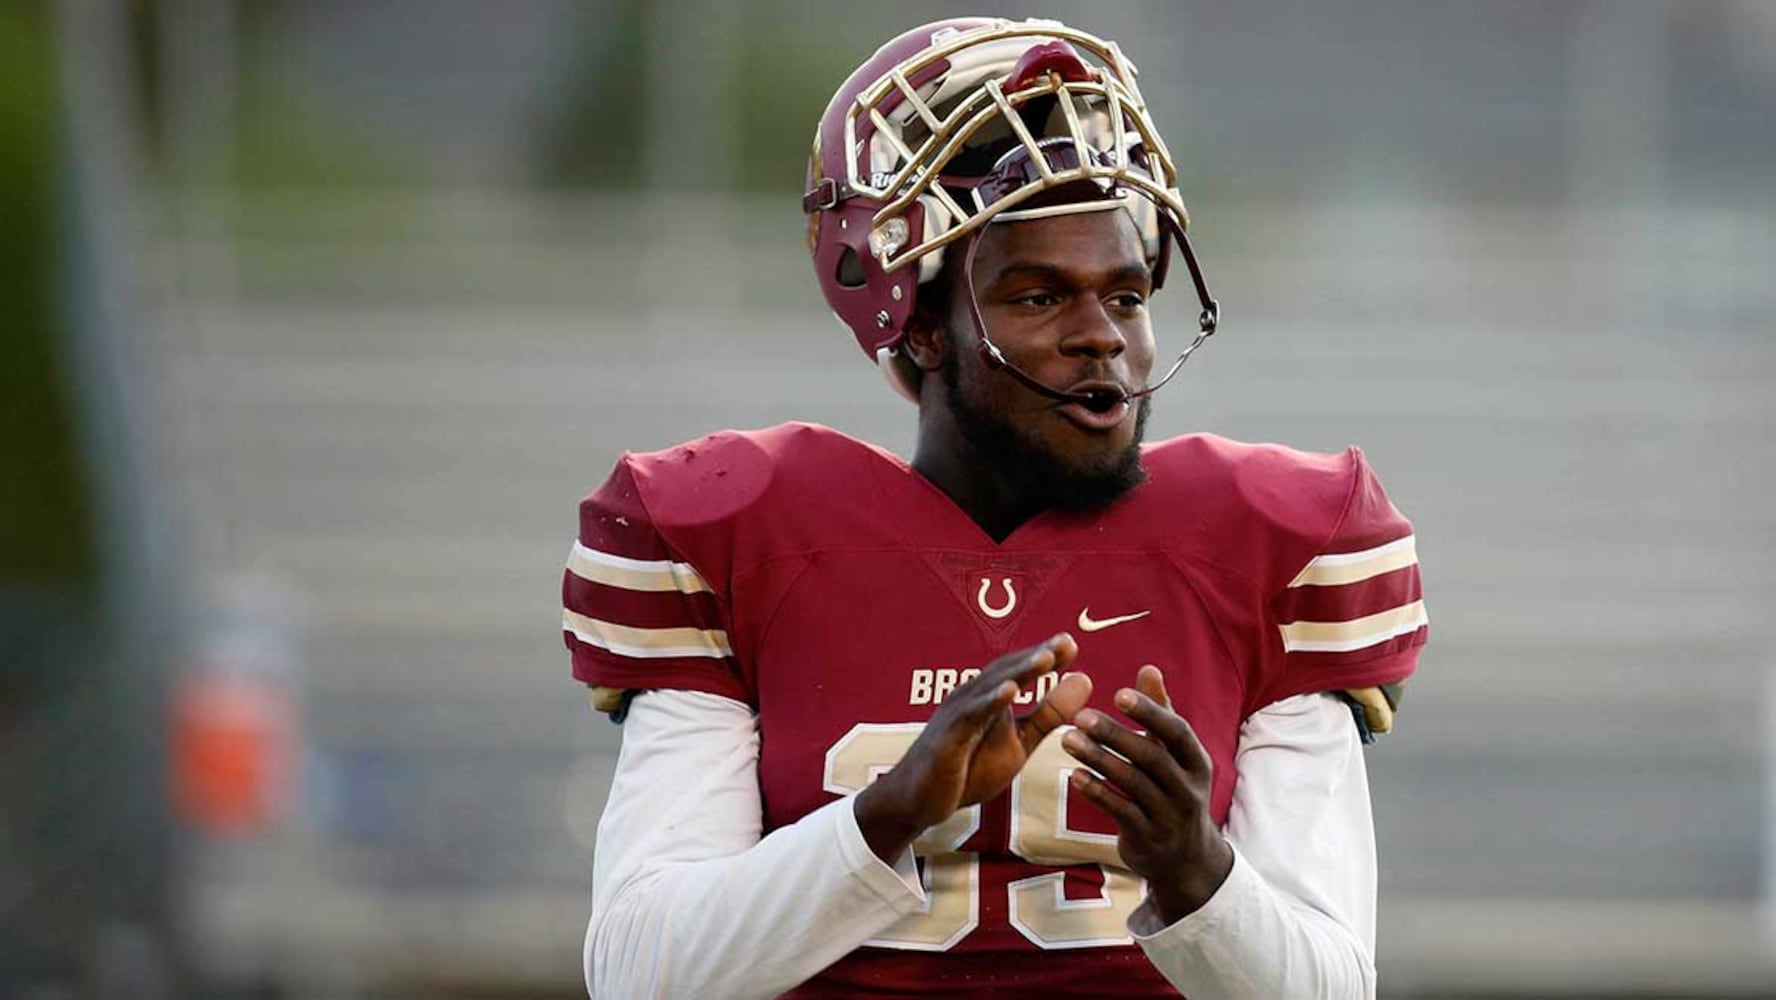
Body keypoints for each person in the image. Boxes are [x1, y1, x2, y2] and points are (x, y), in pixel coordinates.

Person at [561, 16, 1426, 998]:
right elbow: (640, 974)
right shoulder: (743, 537)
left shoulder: (1269, 545)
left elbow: (1330, 985)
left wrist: (1197, 869)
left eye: (1126, 296)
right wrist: (892, 812)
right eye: (1038, 298)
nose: (1102, 337)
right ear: (922, 327)